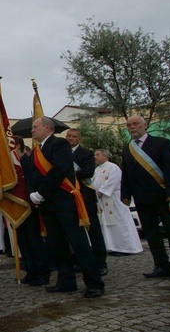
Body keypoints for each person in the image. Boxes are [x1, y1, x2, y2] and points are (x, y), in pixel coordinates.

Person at [26, 117, 104, 298]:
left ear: (47, 128)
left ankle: (94, 283)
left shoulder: (59, 144)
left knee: (79, 244)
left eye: (35, 127)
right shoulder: (37, 151)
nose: (32, 130)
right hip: (47, 206)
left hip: (64, 204)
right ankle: (66, 282)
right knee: (57, 246)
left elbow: (59, 170)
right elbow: (30, 175)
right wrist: (32, 193)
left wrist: (41, 193)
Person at [121, 115, 170, 282]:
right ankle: (162, 265)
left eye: (136, 124)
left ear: (144, 125)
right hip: (142, 199)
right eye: (129, 125)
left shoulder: (161, 143)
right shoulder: (128, 148)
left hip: (163, 197)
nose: (132, 127)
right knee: (152, 235)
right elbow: (127, 173)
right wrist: (125, 194)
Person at [66, 129, 108, 275]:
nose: (71, 138)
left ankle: (100, 262)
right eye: (69, 136)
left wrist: (67, 175)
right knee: (75, 231)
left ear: (79, 139)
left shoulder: (86, 153)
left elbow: (88, 171)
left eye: (74, 136)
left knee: (93, 230)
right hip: (69, 196)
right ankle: (79, 261)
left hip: (85, 196)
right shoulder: (62, 153)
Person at [14, 136, 51, 286]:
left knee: (34, 241)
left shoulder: (27, 160)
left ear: (16, 145)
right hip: (17, 207)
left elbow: (32, 181)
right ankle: (30, 271)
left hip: (29, 205)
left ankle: (42, 273)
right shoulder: (11, 164)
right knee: (23, 242)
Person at [92, 149, 143, 255]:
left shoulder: (113, 167)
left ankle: (128, 247)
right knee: (108, 224)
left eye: (97, 154)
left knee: (121, 223)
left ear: (105, 156)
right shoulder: (97, 169)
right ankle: (113, 246)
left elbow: (112, 181)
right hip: (103, 201)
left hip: (114, 200)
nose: (95, 157)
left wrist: (101, 191)